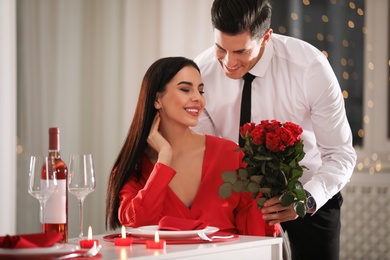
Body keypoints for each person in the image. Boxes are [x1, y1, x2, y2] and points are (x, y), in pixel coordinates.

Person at [192, 0, 357, 259]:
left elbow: (340, 154)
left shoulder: (310, 68)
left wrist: (307, 199)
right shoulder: (200, 73)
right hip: (238, 203)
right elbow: (206, 151)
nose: (228, 63)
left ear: (266, 37)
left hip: (310, 196)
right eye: (220, 48)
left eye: (241, 51)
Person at [105, 56, 279, 237]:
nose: (198, 98)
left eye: (201, 91)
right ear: (157, 100)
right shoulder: (134, 167)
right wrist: (164, 159)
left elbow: (257, 229)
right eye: (185, 89)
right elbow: (136, 223)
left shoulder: (230, 154)